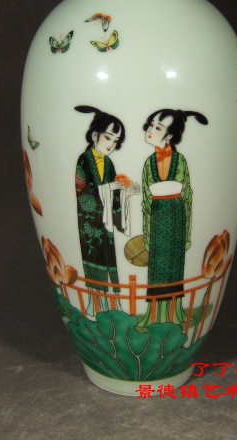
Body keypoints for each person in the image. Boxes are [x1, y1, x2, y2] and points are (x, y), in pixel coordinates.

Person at [136, 108, 208, 331]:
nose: (150, 130)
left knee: (174, 267)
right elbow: (146, 199)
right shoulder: (148, 162)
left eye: (158, 127)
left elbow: (187, 195)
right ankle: (153, 315)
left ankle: (175, 314)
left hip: (176, 215)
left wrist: (187, 233)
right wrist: (147, 232)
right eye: (150, 125)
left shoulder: (180, 160)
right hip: (156, 215)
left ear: (169, 135)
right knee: (156, 269)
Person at [74, 106, 139, 315]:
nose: (111, 144)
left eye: (115, 141)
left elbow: (114, 193)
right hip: (91, 223)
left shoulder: (109, 163)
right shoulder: (84, 160)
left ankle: (113, 306)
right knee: (94, 260)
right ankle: (95, 306)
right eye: (108, 138)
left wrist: (127, 191)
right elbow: (82, 191)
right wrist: (109, 188)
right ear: (95, 135)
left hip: (106, 222)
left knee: (109, 260)